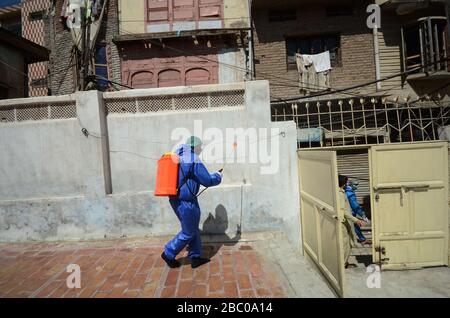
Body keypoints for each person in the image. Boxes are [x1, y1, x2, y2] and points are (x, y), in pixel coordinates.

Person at [161, 136, 222, 269]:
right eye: (200, 147)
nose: (201, 149)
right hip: (187, 202)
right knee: (188, 232)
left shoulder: (178, 155)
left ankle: (195, 257)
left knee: (192, 228)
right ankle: (168, 252)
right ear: (195, 147)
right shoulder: (192, 158)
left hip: (175, 199)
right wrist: (218, 176)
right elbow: (206, 180)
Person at [338, 175, 366, 268]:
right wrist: (357, 219)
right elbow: (344, 211)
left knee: (348, 242)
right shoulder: (341, 193)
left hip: (347, 219)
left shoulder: (341, 192)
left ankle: (344, 262)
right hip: (345, 220)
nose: (347, 184)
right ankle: (343, 264)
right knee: (346, 244)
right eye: (346, 182)